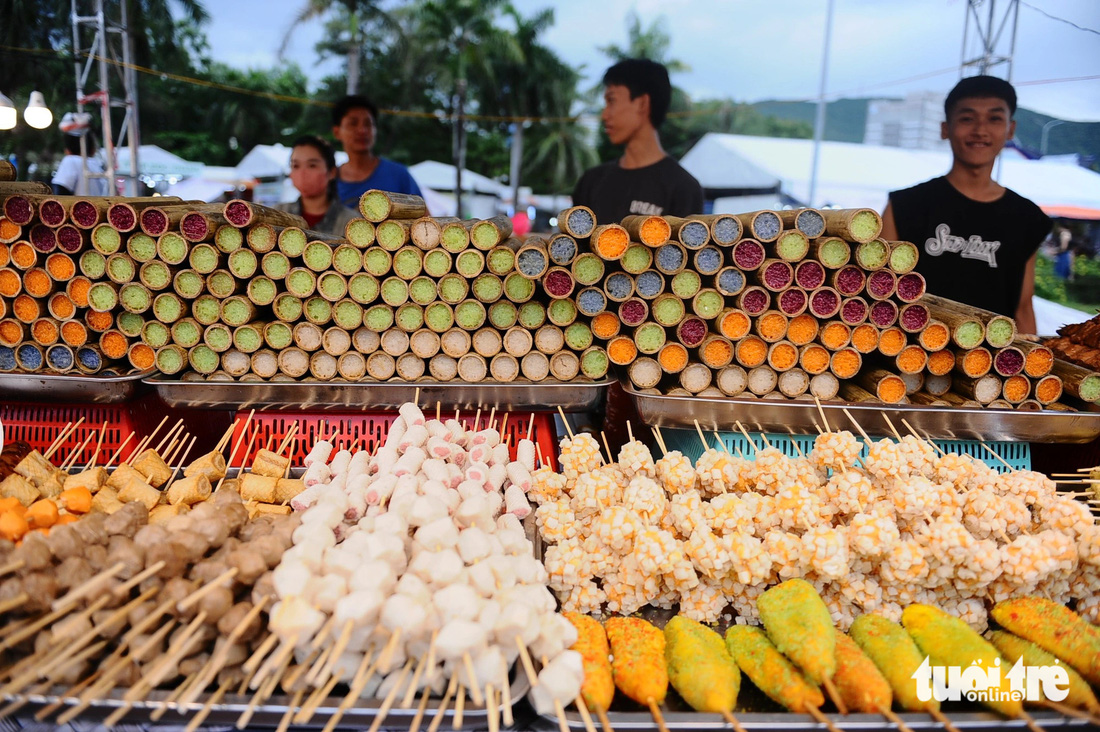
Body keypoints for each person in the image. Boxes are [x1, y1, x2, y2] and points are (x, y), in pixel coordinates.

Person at [881, 75, 1051, 335]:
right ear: (945, 128)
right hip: (910, 360)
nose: (980, 130)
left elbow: (1023, 307)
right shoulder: (905, 205)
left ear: (1010, 129)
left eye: (994, 118)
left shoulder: (1027, 218)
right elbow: (880, 292)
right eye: (967, 118)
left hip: (990, 369)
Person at [572, 58, 703, 224]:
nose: (604, 115)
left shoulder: (683, 188)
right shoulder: (591, 182)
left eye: (611, 101)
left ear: (642, 103)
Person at [330, 95, 422, 211]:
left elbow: (425, 222)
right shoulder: (329, 181)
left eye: (368, 124)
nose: (362, 130)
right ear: (337, 132)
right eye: (353, 123)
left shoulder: (399, 175)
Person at [276, 135, 357, 236]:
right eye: (296, 166)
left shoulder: (352, 223)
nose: (302, 173)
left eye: (312, 165)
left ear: (331, 172)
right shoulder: (275, 215)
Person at [52, 132, 109, 196]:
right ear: (93, 149)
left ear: (67, 150)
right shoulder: (96, 164)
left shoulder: (70, 160)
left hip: (80, 205)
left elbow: (61, 189)